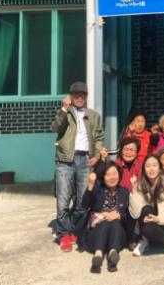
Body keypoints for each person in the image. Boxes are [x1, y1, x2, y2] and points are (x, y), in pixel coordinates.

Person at [51, 81, 104, 252]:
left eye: (82, 94)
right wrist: (64, 109)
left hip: (85, 160)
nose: (79, 97)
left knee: (82, 200)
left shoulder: (93, 115)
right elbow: (55, 127)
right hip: (65, 160)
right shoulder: (66, 112)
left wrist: (96, 156)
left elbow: (99, 138)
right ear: (71, 96)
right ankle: (63, 234)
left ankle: (72, 229)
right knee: (63, 198)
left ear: (86, 96)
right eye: (76, 95)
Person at [129, 154, 164, 256]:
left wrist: (158, 219)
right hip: (147, 225)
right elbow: (135, 213)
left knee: (147, 229)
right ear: (144, 170)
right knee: (145, 210)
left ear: (159, 168)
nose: (151, 169)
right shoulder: (140, 186)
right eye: (148, 166)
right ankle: (147, 241)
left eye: (154, 165)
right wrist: (134, 189)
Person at [84, 163, 129, 273]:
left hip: (118, 234)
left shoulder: (124, 192)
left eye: (114, 174)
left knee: (115, 222)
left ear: (119, 175)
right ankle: (98, 254)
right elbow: (85, 204)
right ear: (103, 177)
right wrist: (90, 185)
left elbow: (129, 216)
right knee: (105, 222)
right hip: (96, 234)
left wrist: (119, 215)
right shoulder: (97, 190)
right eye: (108, 175)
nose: (112, 177)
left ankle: (113, 252)